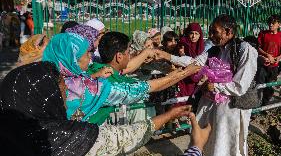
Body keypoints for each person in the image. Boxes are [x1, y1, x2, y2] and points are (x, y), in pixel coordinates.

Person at [0, 61, 201, 156]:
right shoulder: (63, 137)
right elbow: (124, 137)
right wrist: (194, 146)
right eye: (61, 92)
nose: (67, 96)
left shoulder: (8, 132)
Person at [157, 14, 258, 156]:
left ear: (228, 32)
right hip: (211, 107)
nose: (210, 36)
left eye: (214, 32)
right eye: (210, 31)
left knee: (226, 146)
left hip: (230, 111)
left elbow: (240, 85)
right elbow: (195, 63)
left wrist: (216, 86)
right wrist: (168, 57)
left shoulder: (245, 50)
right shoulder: (214, 50)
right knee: (209, 143)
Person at [42, 33, 200, 125]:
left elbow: (127, 67)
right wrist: (183, 74)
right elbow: (144, 88)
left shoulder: (57, 77)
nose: (90, 57)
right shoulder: (95, 87)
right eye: (85, 54)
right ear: (72, 59)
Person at [176, 23, 205, 112]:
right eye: (191, 33)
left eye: (196, 34)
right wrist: (183, 55)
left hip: (196, 79)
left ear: (200, 35)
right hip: (184, 79)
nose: (193, 36)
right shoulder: (183, 44)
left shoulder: (202, 47)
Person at [256, 14, 281, 104]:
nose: (270, 25)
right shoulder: (263, 34)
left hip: (274, 66)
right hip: (262, 65)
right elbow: (258, 47)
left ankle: (265, 105)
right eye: (269, 23)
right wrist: (267, 55)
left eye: (273, 23)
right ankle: (257, 105)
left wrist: (279, 57)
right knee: (259, 85)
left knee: (270, 86)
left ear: (279, 25)